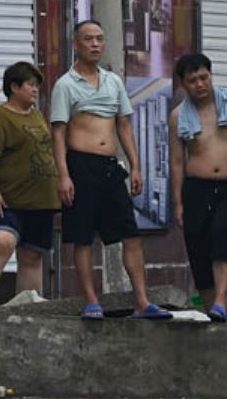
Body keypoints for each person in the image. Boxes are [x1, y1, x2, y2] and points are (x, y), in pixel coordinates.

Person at [50, 20, 172, 321]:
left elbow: (124, 125)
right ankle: (91, 301)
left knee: (130, 234)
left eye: (99, 39)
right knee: (82, 237)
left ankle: (142, 301)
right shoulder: (65, 84)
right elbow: (58, 133)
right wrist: (63, 174)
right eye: (88, 39)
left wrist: (135, 166)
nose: (95, 44)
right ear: (76, 44)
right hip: (80, 164)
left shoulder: (113, 81)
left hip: (109, 165)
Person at [0, 62, 61, 312]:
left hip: (41, 199)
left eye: (36, 85)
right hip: (10, 199)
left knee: (32, 256)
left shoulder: (37, 116)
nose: (35, 90)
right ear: (14, 87)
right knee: (2, 242)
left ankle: (27, 308)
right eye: (29, 85)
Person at [168, 53, 227, 323]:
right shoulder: (179, 115)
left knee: (220, 233)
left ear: (211, 75)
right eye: (193, 80)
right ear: (183, 84)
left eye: (204, 77)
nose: (200, 84)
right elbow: (178, 162)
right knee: (197, 246)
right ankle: (210, 310)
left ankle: (220, 301)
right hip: (196, 186)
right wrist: (178, 202)